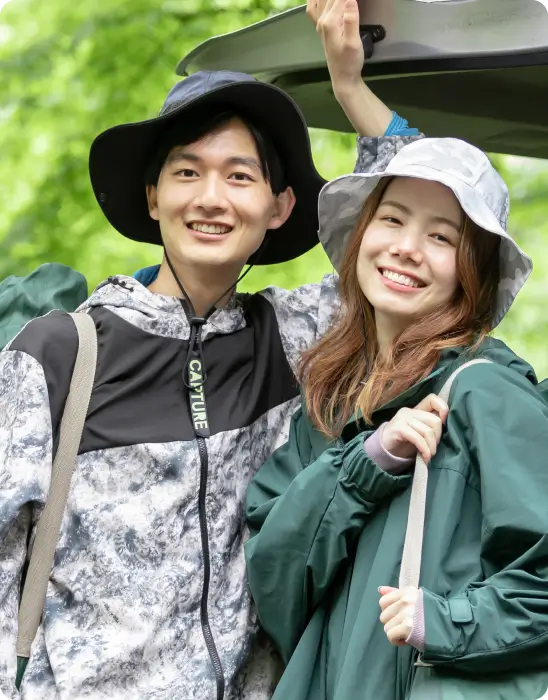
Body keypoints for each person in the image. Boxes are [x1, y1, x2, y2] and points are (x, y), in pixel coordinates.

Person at [0, 21, 420, 699]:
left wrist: (350, 86)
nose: (211, 197)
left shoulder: (291, 337)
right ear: (153, 196)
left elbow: (413, 243)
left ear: (279, 206)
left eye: (239, 175)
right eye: (187, 172)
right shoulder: (57, 354)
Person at [244, 9, 548, 700]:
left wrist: (446, 622)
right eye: (392, 219)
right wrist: (368, 463)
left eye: (442, 237)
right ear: (361, 238)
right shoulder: (329, 405)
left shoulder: (487, 392)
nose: (408, 248)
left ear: (471, 273)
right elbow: (275, 577)